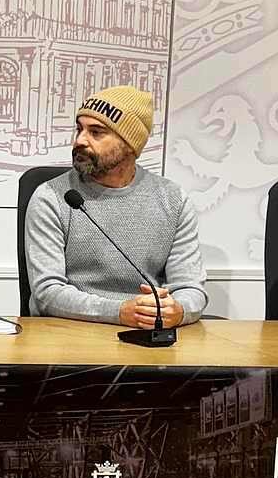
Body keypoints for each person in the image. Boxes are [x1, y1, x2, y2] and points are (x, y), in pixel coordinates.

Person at [25, 85, 207, 328]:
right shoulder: (52, 197)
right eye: (79, 129)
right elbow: (47, 292)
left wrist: (178, 310)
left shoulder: (173, 199)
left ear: (130, 144)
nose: (80, 140)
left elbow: (190, 287)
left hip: (146, 334)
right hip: (68, 335)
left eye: (96, 132)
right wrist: (120, 312)